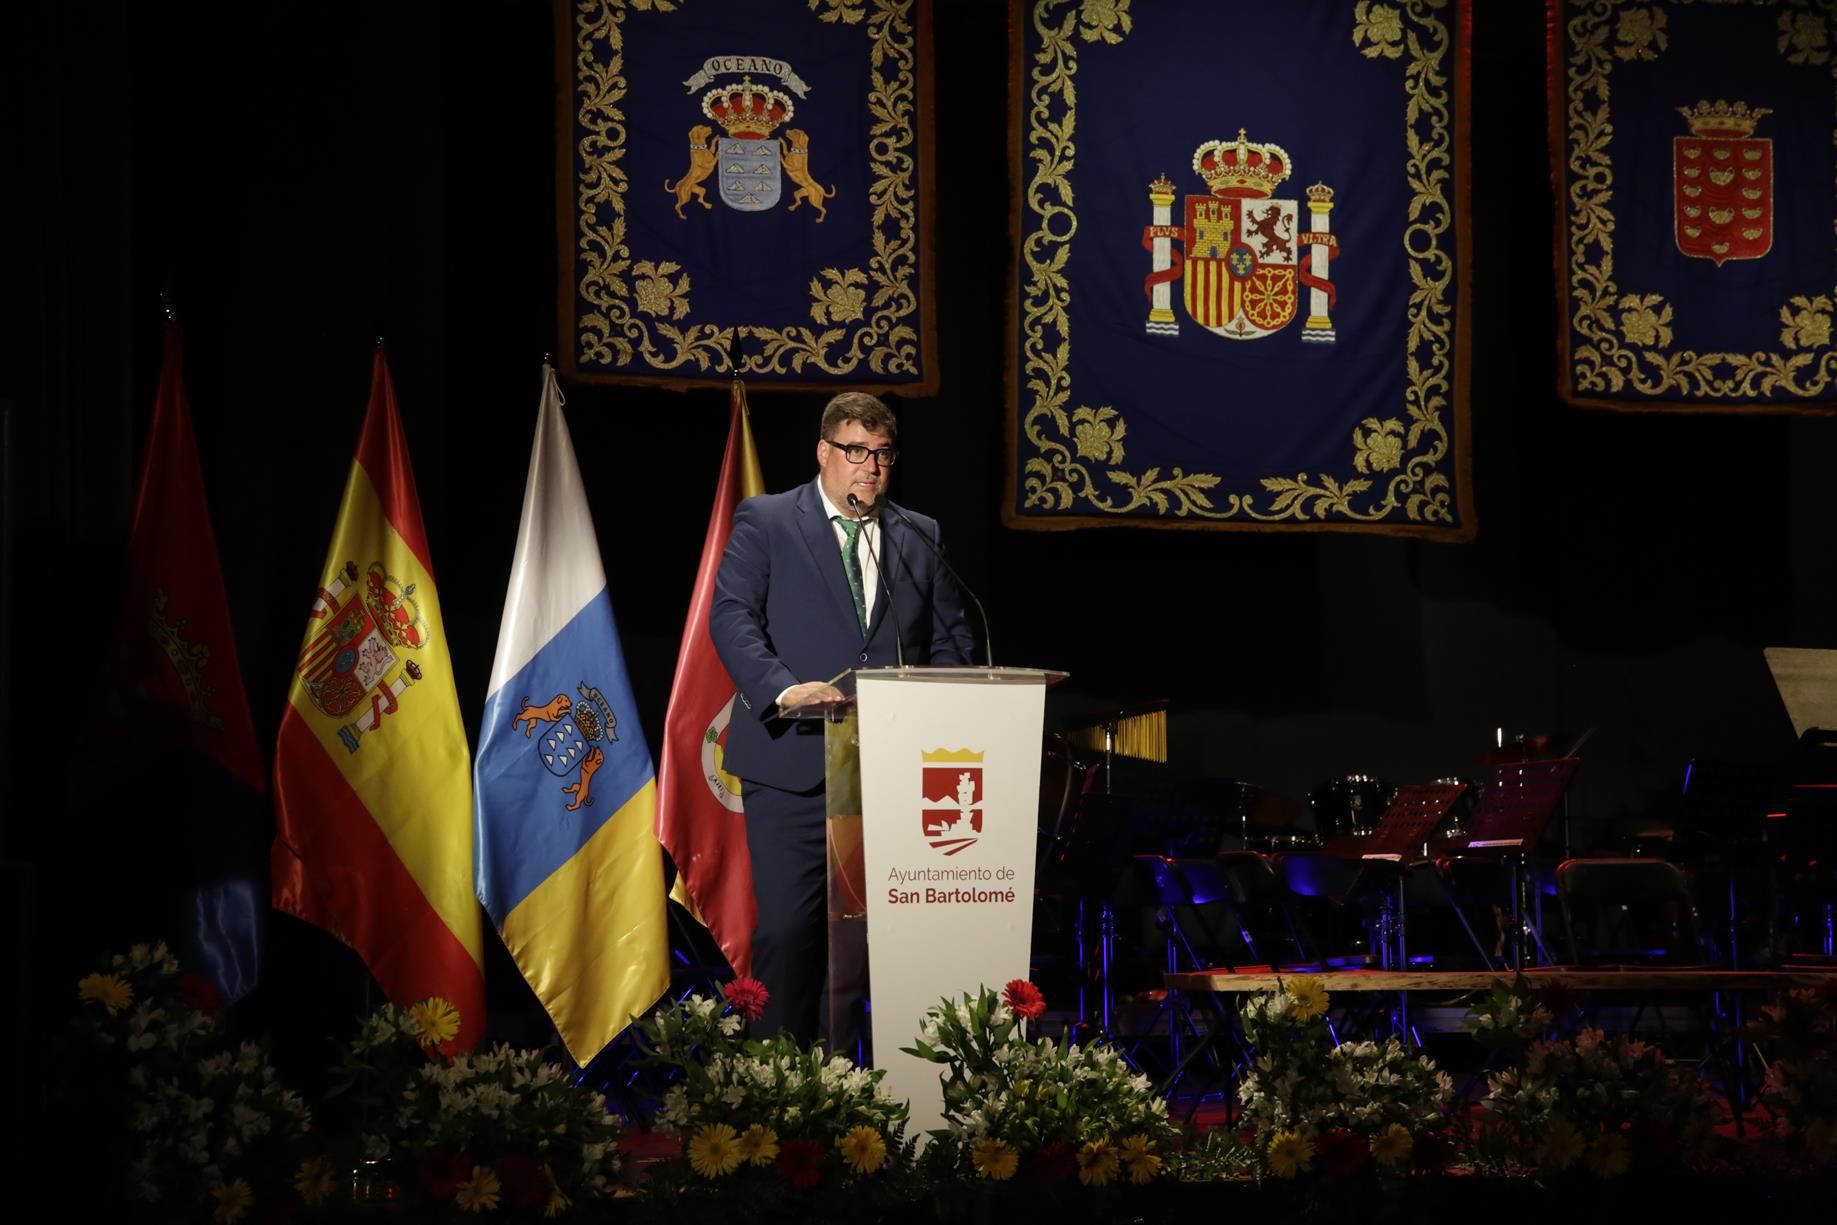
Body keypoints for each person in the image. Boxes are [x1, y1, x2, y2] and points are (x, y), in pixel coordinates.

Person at [710, 391, 977, 1043]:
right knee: (788, 934)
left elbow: (951, 639)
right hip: (793, 762)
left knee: (877, 941)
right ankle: (777, 1083)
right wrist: (782, 690)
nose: (871, 467)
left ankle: (867, 1084)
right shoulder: (769, 520)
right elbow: (733, 615)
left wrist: (939, 709)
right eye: (856, 451)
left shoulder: (918, 533)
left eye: (883, 454)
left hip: (889, 769)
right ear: (823, 452)